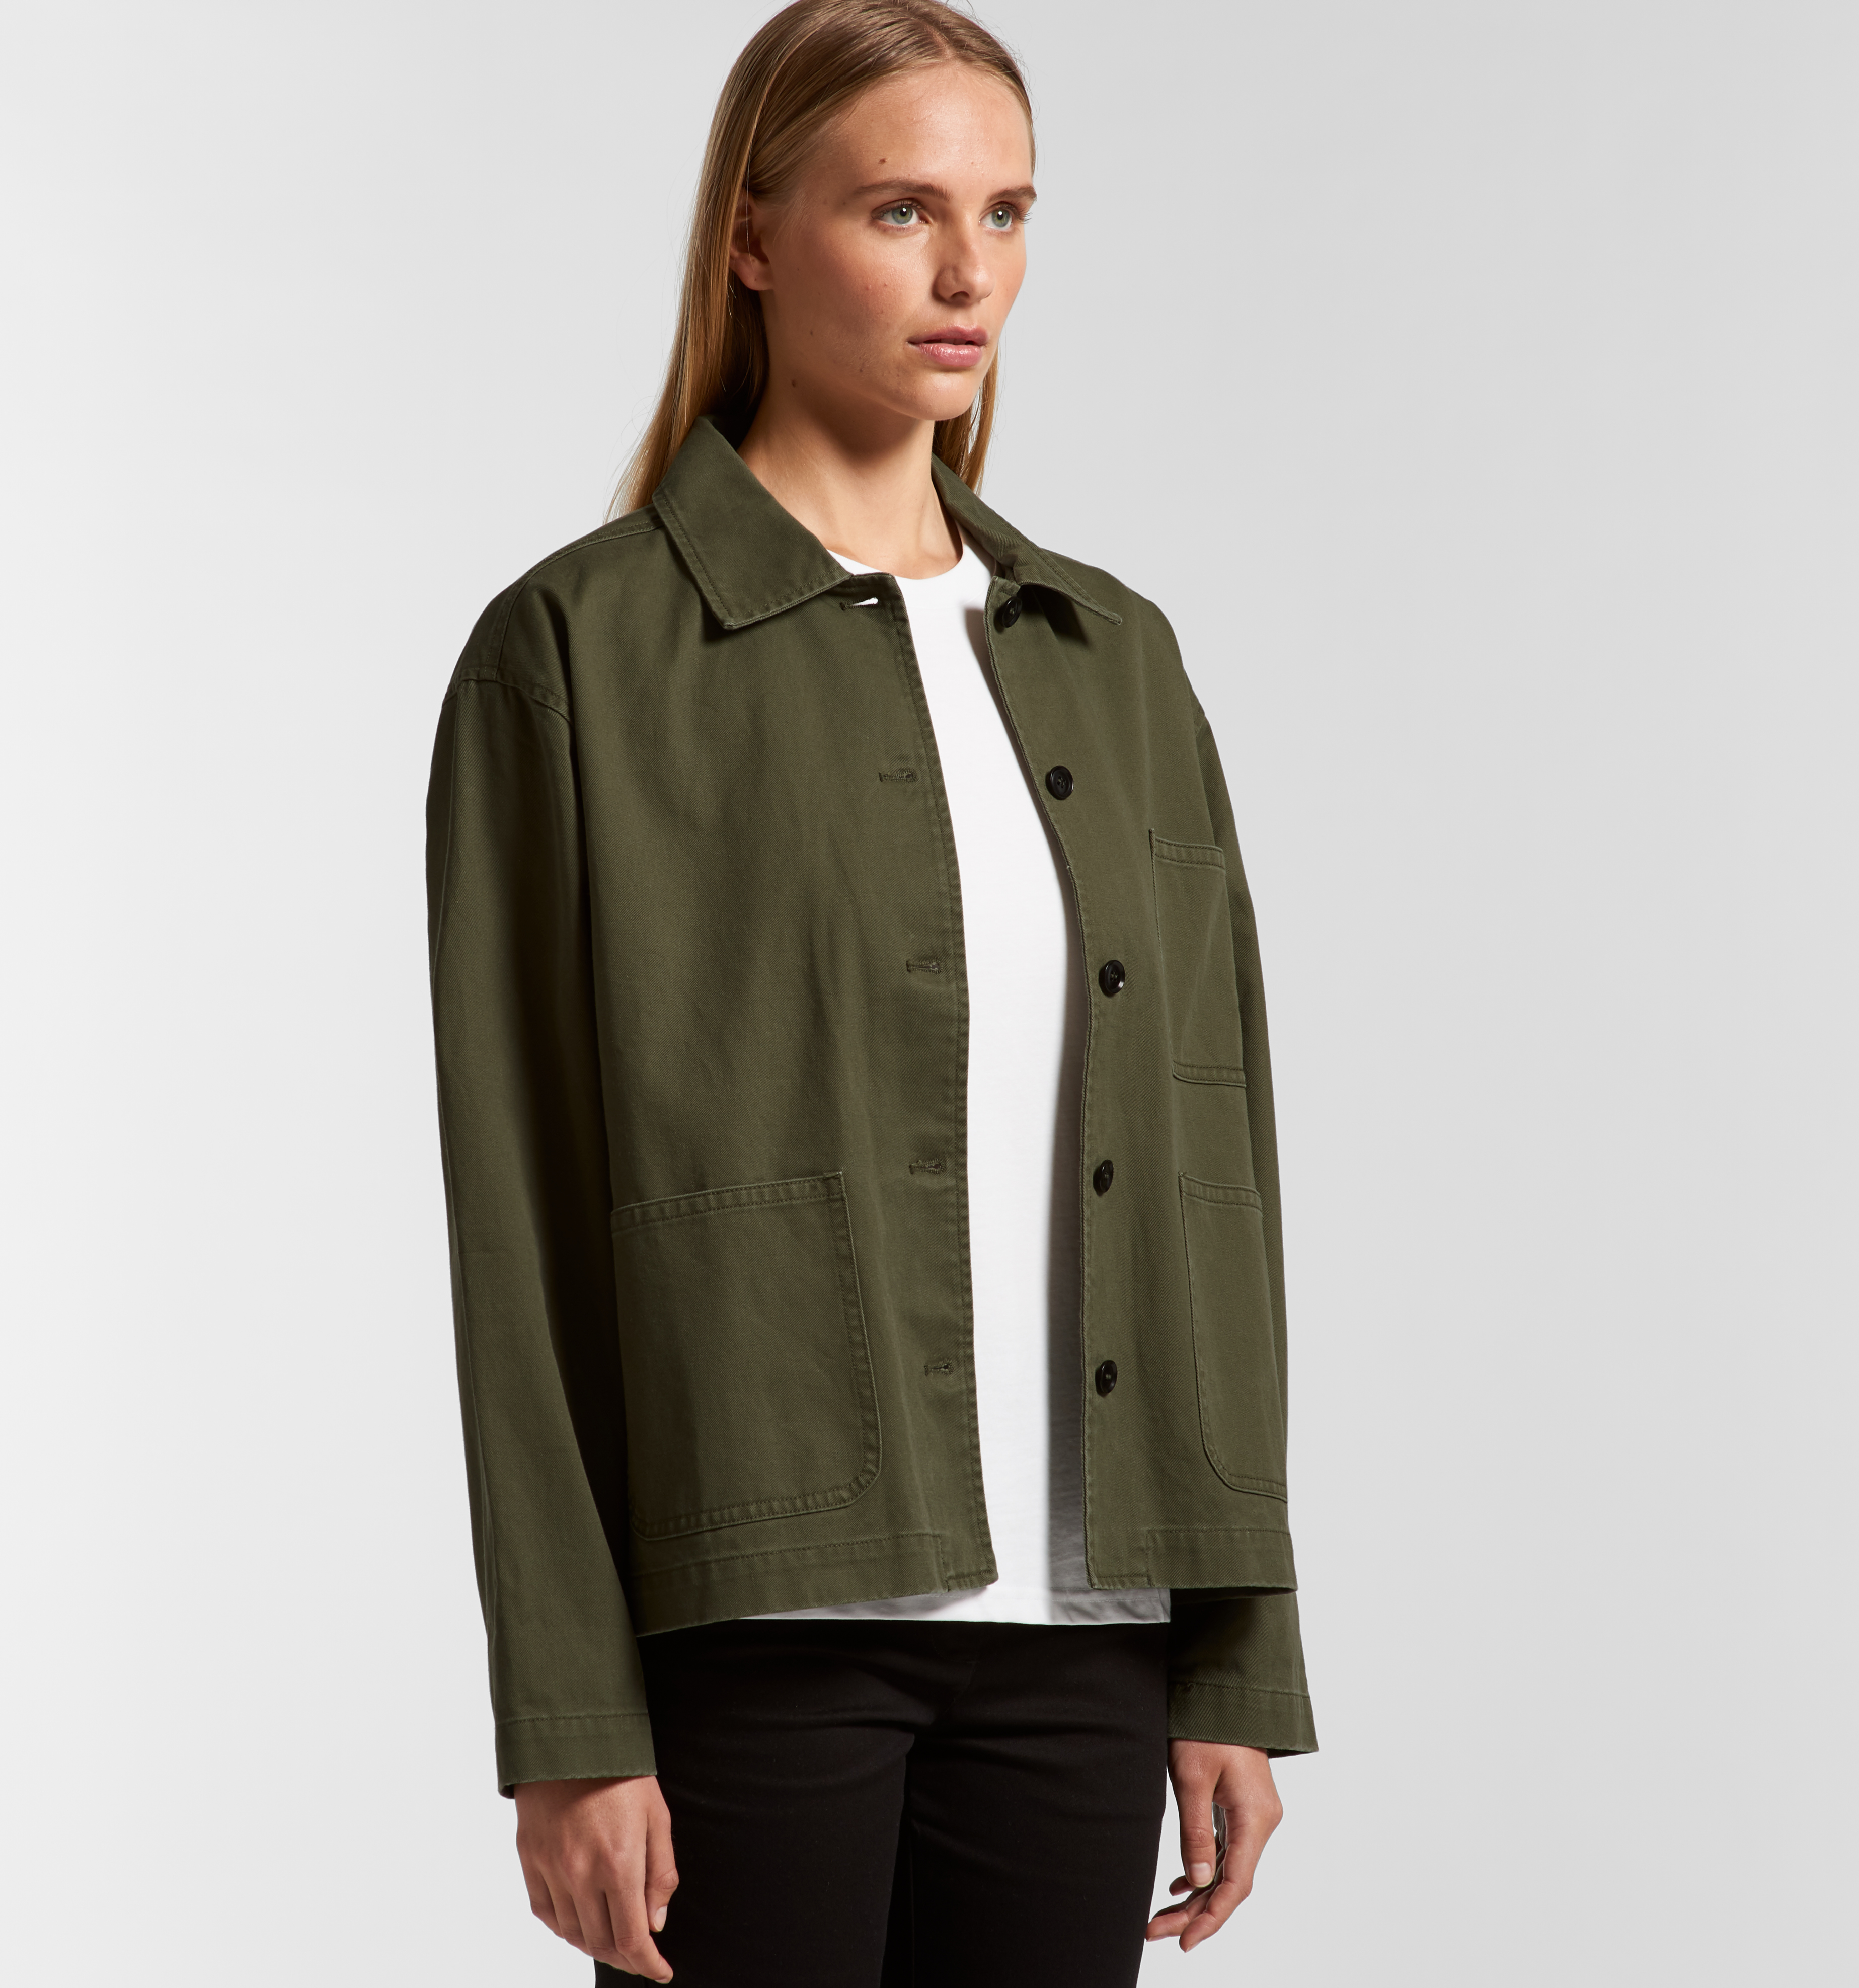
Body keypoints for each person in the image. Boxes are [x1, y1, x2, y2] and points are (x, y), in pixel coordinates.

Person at [424, 4, 1315, 1981]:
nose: (966, 269)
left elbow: (1215, 1173)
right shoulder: (576, 655)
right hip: (754, 1632)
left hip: (1088, 1641)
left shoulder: (1115, 662)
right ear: (753, 237)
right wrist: (569, 1721)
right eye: (900, 208)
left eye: (1006, 211)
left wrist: (1236, 1651)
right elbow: (520, 1225)